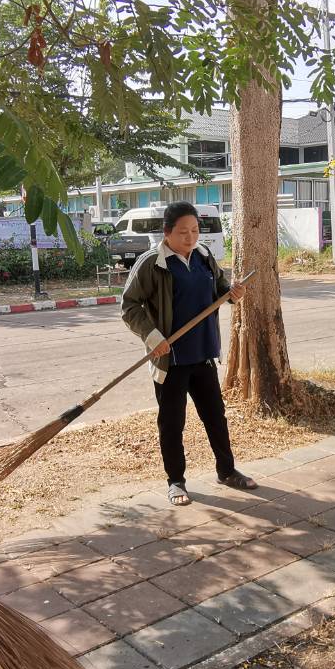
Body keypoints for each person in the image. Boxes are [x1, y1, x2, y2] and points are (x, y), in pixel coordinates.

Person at [121, 202, 257, 507]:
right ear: (167, 232)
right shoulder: (152, 263)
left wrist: (233, 293)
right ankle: (176, 481)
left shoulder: (203, 256)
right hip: (170, 359)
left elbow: (220, 289)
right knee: (172, 423)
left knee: (215, 416)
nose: (191, 238)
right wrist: (153, 337)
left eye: (195, 231)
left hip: (202, 354)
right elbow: (129, 306)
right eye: (183, 232)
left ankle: (226, 471)